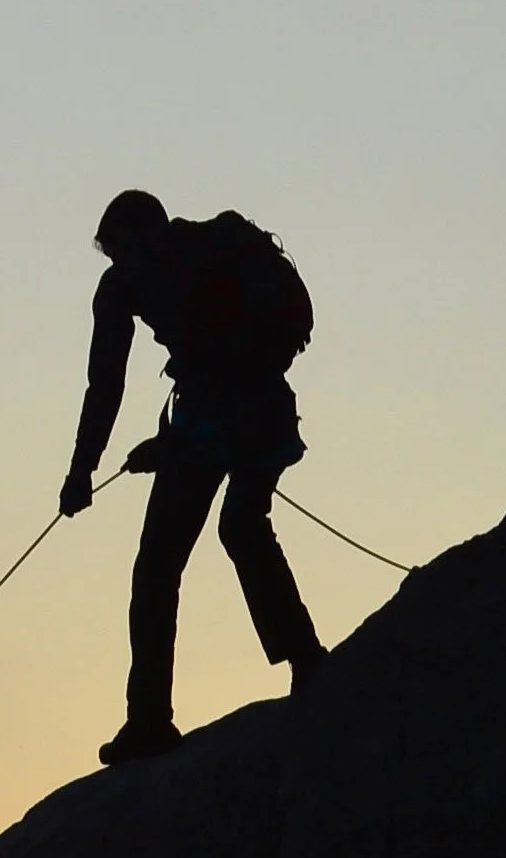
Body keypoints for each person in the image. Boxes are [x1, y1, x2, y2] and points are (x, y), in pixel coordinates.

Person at [59, 189, 328, 765]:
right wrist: (93, 464)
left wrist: (92, 468)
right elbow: (112, 383)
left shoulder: (185, 263)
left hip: (226, 413)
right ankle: (304, 660)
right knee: (236, 529)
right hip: (254, 412)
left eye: (118, 253)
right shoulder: (177, 262)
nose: (117, 269)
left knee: (166, 561)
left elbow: (110, 386)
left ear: (141, 235)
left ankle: (153, 719)